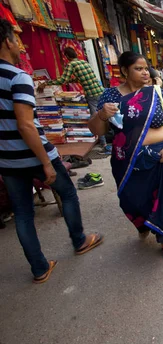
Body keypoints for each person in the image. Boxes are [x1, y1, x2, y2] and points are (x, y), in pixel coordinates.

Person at [0, 19, 103, 283]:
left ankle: (39, 268)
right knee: (68, 193)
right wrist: (45, 162)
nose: (20, 44)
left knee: (23, 212)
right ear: (6, 42)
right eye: (16, 38)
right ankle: (79, 240)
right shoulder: (17, 76)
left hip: (7, 160)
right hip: (33, 153)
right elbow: (25, 124)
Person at [88, 51, 163, 261]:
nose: (145, 73)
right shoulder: (110, 97)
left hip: (160, 160)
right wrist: (102, 114)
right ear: (124, 71)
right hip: (126, 162)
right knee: (130, 201)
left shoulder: (158, 94)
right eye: (138, 69)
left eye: (146, 68)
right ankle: (142, 223)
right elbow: (97, 130)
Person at [38, 47, 106, 145]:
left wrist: (46, 83)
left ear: (66, 56)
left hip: (92, 94)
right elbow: (81, 78)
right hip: (100, 90)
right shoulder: (84, 62)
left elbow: (62, 80)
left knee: (95, 118)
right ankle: (109, 137)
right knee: (103, 115)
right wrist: (70, 81)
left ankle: (103, 143)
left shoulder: (71, 65)